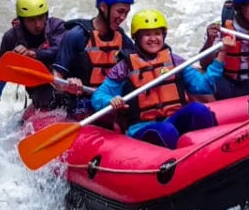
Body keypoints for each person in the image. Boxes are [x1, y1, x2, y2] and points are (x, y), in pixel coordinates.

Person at [92, 10, 219, 148]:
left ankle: (209, 152)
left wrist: (220, 58)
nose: (153, 39)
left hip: (173, 119)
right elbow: (98, 96)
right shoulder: (124, 68)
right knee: (167, 131)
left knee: (199, 110)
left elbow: (203, 86)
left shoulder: (175, 61)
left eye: (157, 34)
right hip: (142, 127)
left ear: (163, 36)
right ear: (137, 37)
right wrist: (110, 101)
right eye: (147, 34)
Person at [53, 0, 136, 118]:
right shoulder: (76, 36)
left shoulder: (123, 40)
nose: (123, 18)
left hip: (111, 103)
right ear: (103, 7)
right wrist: (67, 85)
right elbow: (56, 78)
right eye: (120, 11)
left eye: (126, 13)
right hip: (80, 105)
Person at [0, 0, 68, 113]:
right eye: (31, 20)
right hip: (38, 86)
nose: (38, 24)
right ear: (22, 20)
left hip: (63, 78)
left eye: (41, 18)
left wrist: (34, 53)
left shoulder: (57, 27)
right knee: (45, 100)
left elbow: (60, 50)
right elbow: (0, 70)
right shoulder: (11, 37)